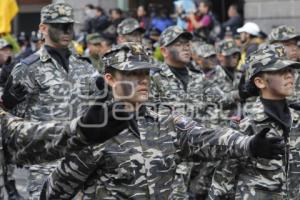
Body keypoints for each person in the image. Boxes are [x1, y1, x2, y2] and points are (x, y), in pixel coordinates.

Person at [40, 42, 284, 199]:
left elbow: (203, 137)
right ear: (110, 79)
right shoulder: (94, 129)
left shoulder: (163, 118)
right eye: (132, 74)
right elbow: (56, 189)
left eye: (145, 73)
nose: (143, 80)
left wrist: (249, 144)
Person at [2, 2, 100, 198]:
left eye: (69, 26)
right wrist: (9, 104)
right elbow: (13, 125)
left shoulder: (85, 66)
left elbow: (94, 110)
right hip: (46, 162)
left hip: (84, 160)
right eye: (59, 26)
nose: (66, 31)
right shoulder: (28, 68)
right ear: (43, 28)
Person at [209, 44, 300, 200]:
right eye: (280, 71)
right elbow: (222, 184)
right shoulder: (245, 126)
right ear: (260, 82)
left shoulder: (296, 119)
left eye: (289, 70)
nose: (289, 75)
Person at [268, 25, 300, 103]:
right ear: (275, 47)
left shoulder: (296, 67)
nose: (294, 48)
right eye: (288, 45)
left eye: (295, 44)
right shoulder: (266, 71)